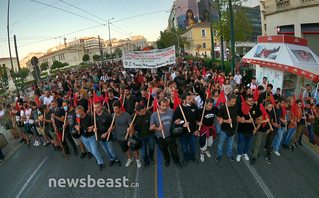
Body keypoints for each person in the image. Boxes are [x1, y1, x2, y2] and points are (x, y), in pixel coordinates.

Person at [150, 98, 182, 168]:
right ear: (159, 106)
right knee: (164, 150)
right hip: (161, 137)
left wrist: (178, 120)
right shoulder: (154, 115)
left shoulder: (171, 111)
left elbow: (176, 119)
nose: (165, 108)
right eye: (163, 106)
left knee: (174, 150)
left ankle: (176, 161)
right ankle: (167, 159)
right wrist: (158, 128)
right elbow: (151, 127)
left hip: (170, 135)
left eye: (166, 106)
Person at [108, 100, 141, 168]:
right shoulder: (113, 115)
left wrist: (130, 138)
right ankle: (130, 158)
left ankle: (137, 159)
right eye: (113, 109)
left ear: (120, 108)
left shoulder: (126, 115)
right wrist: (112, 128)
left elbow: (131, 127)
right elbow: (114, 125)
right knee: (125, 149)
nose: (115, 110)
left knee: (134, 148)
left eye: (116, 109)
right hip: (120, 137)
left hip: (128, 136)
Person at [75, 105, 105, 171]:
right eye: (76, 113)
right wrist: (76, 127)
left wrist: (93, 127)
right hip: (84, 138)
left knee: (94, 151)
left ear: (82, 111)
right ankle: (98, 157)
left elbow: (95, 124)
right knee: (91, 151)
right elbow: (76, 125)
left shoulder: (90, 117)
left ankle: (100, 163)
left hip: (91, 137)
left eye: (78, 113)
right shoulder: (78, 119)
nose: (77, 114)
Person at [174, 93, 199, 165]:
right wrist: (182, 124)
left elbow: (198, 119)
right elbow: (175, 121)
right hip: (183, 133)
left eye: (191, 98)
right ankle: (186, 158)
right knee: (184, 148)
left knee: (193, 147)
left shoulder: (194, 107)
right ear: (184, 100)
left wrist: (198, 130)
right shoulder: (179, 109)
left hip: (193, 132)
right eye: (189, 99)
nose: (191, 100)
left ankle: (192, 157)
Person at [94, 102, 121, 167]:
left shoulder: (107, 116)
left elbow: (113, 126)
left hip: (108, 137)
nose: (96, 109)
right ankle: (111, 159)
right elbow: (93, 126)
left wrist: (108, 132)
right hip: (100, 137)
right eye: (95, 108)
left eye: (97, 107)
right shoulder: (94, 116)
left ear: (101, 107)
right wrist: (93, 129)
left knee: (111, 151)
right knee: (106, 151)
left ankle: (117, 160)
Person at [236, 95, 261, 162]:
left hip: (251, 130)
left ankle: (245, 153)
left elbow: (260, 120)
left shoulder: (256, 108)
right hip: (242, 130)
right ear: (246, 101)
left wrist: (256, 129)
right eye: (249, 101)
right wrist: (245, 120)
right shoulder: (242, 108)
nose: (252, 102)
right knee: (241, 143)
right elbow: (237, 119)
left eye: (252, 100)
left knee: (248, 143)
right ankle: (239, 154)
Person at [215, 94, 238, 162]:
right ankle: (219, 154)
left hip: (233, 129)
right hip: (224, 130)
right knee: (220, 144)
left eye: (235, 102)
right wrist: (226, 121)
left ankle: (229, 154)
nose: (234, 103)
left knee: (230, 145)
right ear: (228, 100)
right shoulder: (223, 108)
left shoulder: (236, 106)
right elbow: (218, 118)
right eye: (232, 102)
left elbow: (237, 116)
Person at [197, 98, 218, 162]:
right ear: (206, 104)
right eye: (209, 105)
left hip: (211, 128)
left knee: (210, 142)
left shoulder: (214, 109)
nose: (210, 107)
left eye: (211, 105)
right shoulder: (201, 111)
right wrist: (198, 123)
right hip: (204, 128)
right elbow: (196, 119)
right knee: (203, 142)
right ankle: (202, 153)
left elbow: (219, 114)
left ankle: (206, 150)